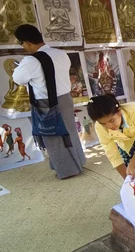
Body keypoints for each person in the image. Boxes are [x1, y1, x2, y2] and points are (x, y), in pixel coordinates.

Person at [13, 24, 85, 179]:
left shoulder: (31, 61)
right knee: (69, 131)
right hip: (65, 98)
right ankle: (78, 161)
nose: (24, 47)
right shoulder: (61, 54)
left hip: (46, 102)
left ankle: (67, 170)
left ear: (27, 43)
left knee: (54, 135)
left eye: (22, 44)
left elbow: (18, 78)